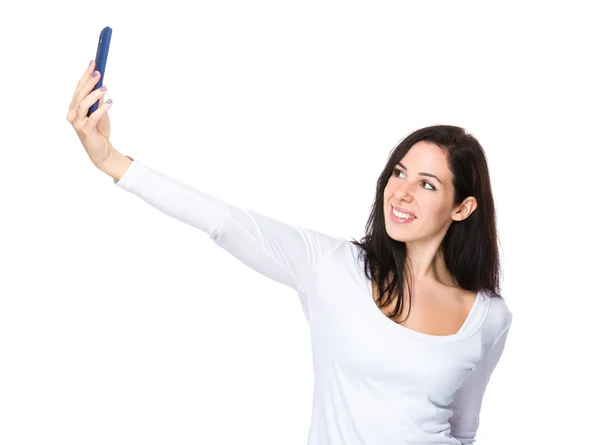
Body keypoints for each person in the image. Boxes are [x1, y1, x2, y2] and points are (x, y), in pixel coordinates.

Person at [67, 60, 512, 445]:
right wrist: (110, 160)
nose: (402, 192)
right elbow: (225, 222)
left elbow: (464, 430)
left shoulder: (489, 317)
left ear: (463, 207)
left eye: (427, 184)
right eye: (400, 173)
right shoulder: (333, 266)